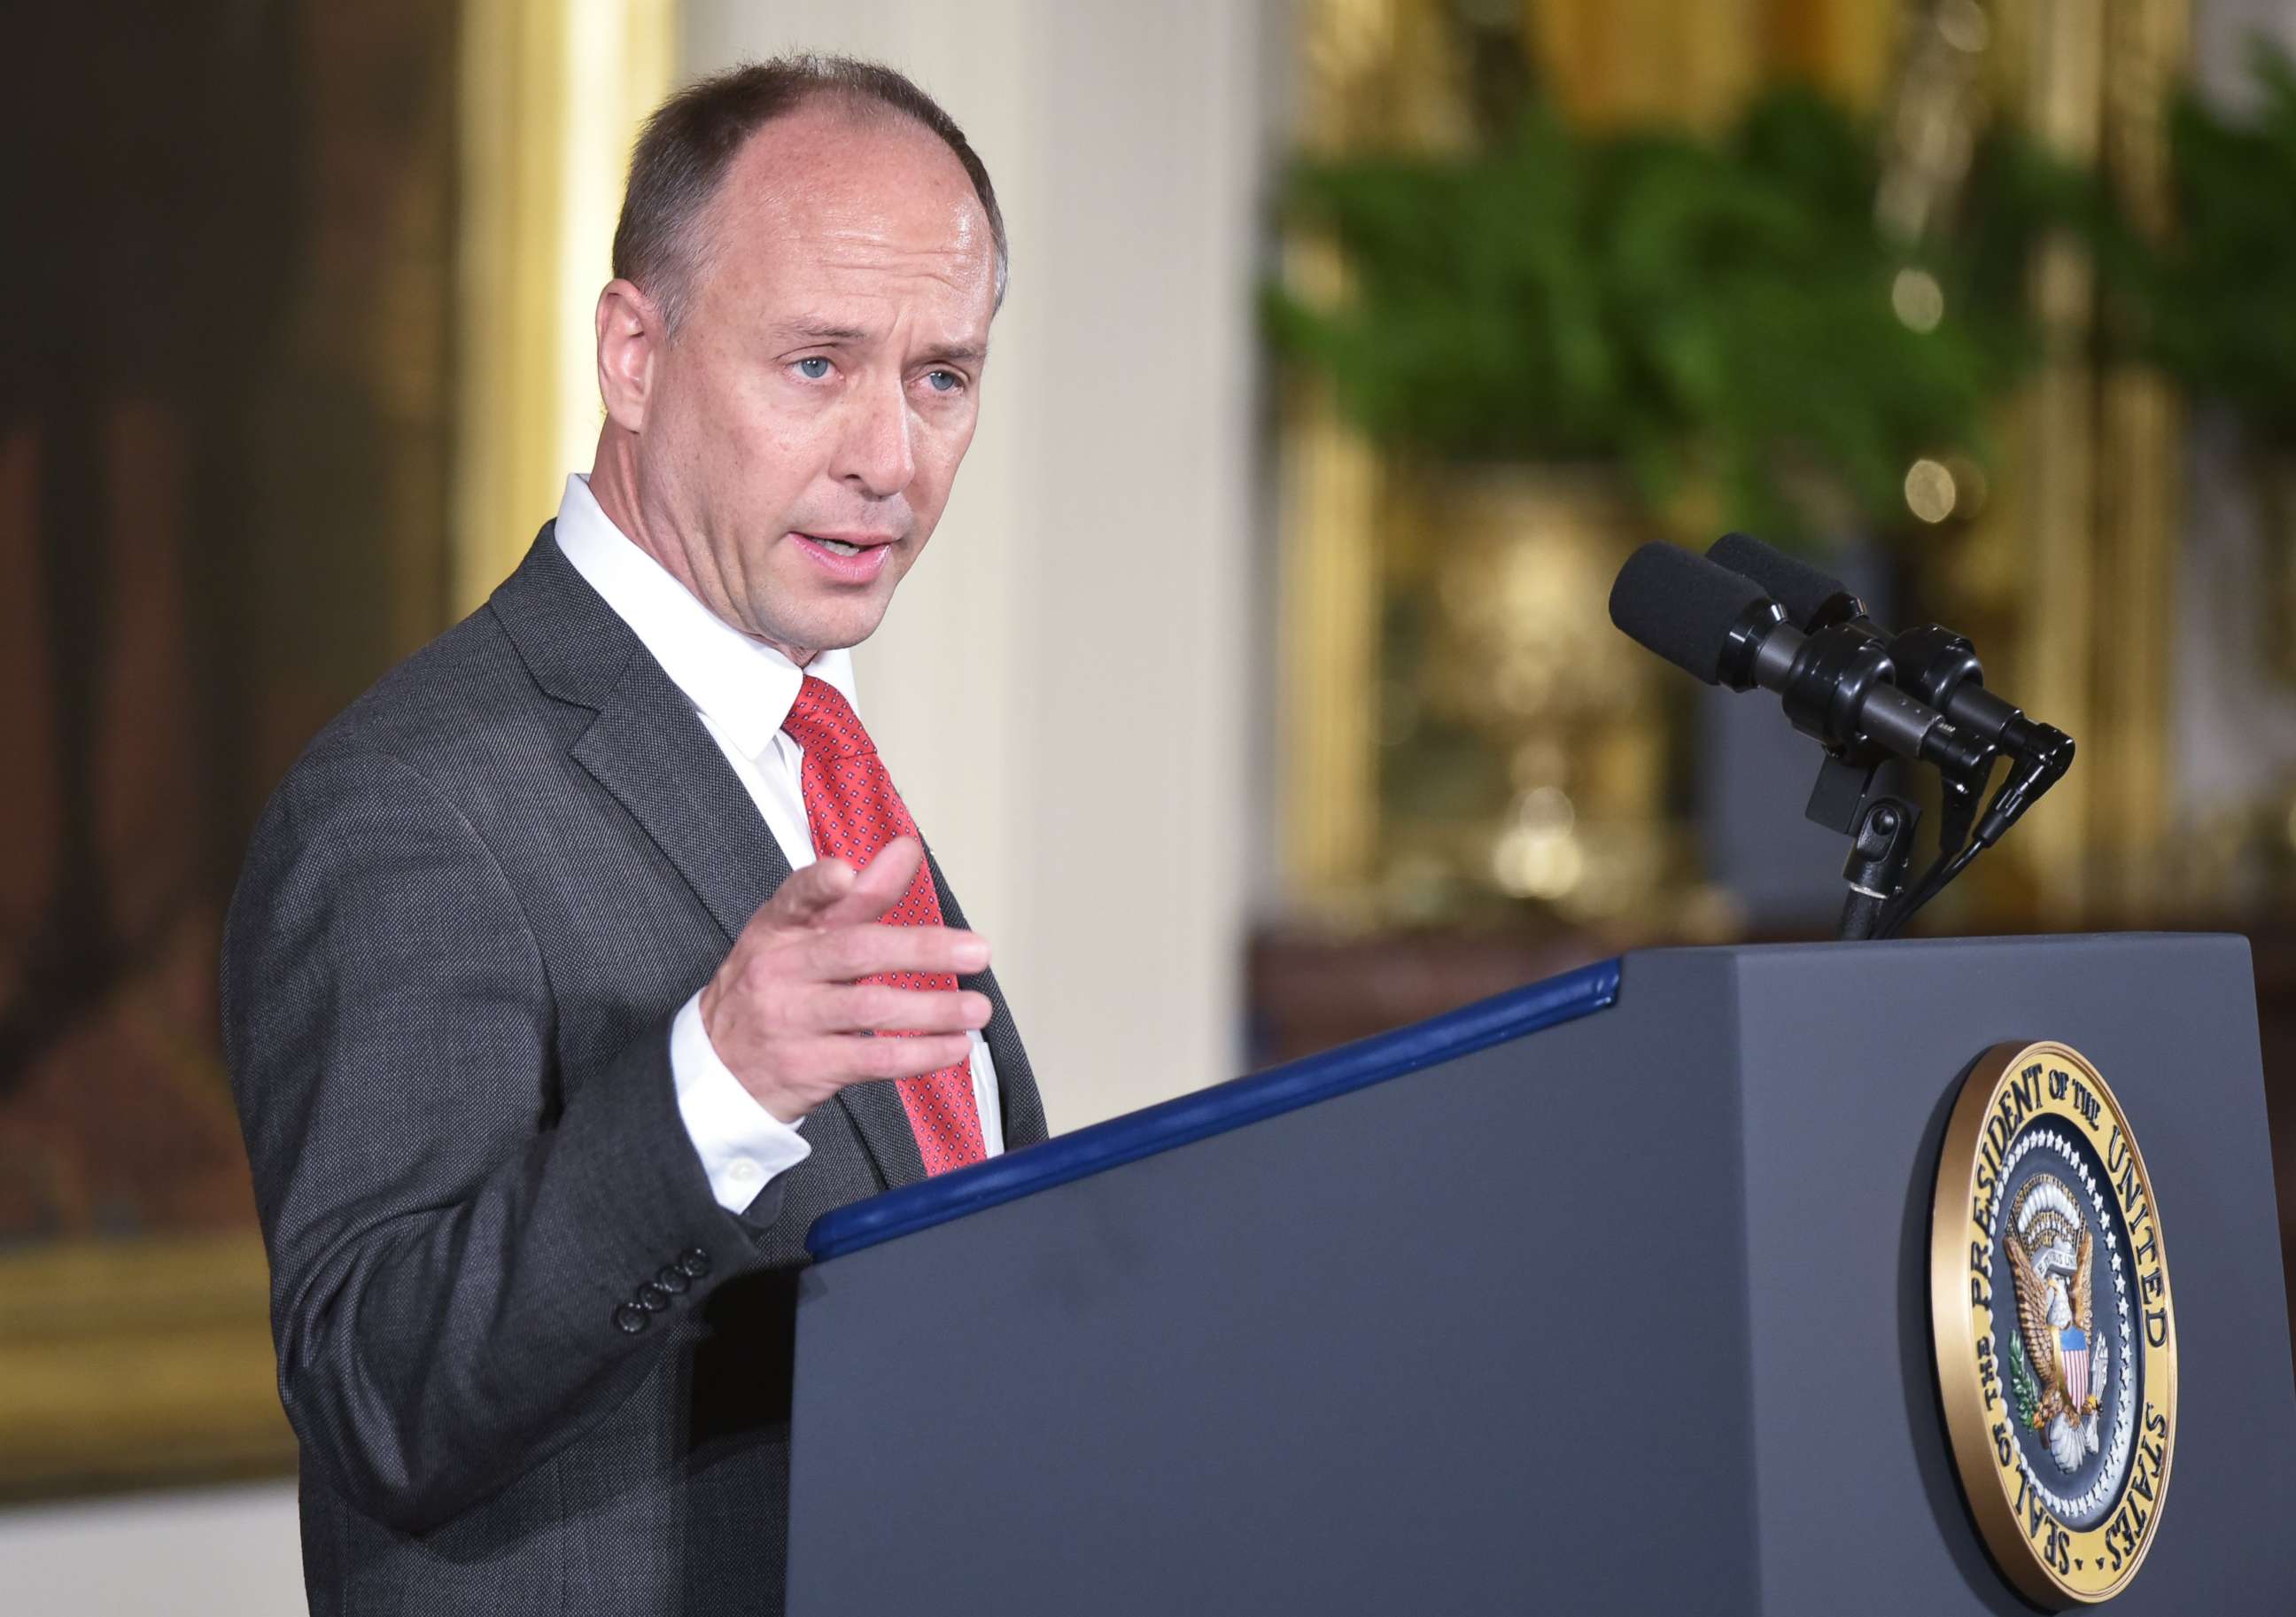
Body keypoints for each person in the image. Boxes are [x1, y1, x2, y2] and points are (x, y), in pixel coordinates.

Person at [221, 54, 1045, 1616]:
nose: (891, 457)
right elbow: (378, 1389)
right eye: (817, 364)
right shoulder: (406, 799)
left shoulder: (820, 755)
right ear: (633, 352)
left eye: (941, 375)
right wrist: (709, 1083)